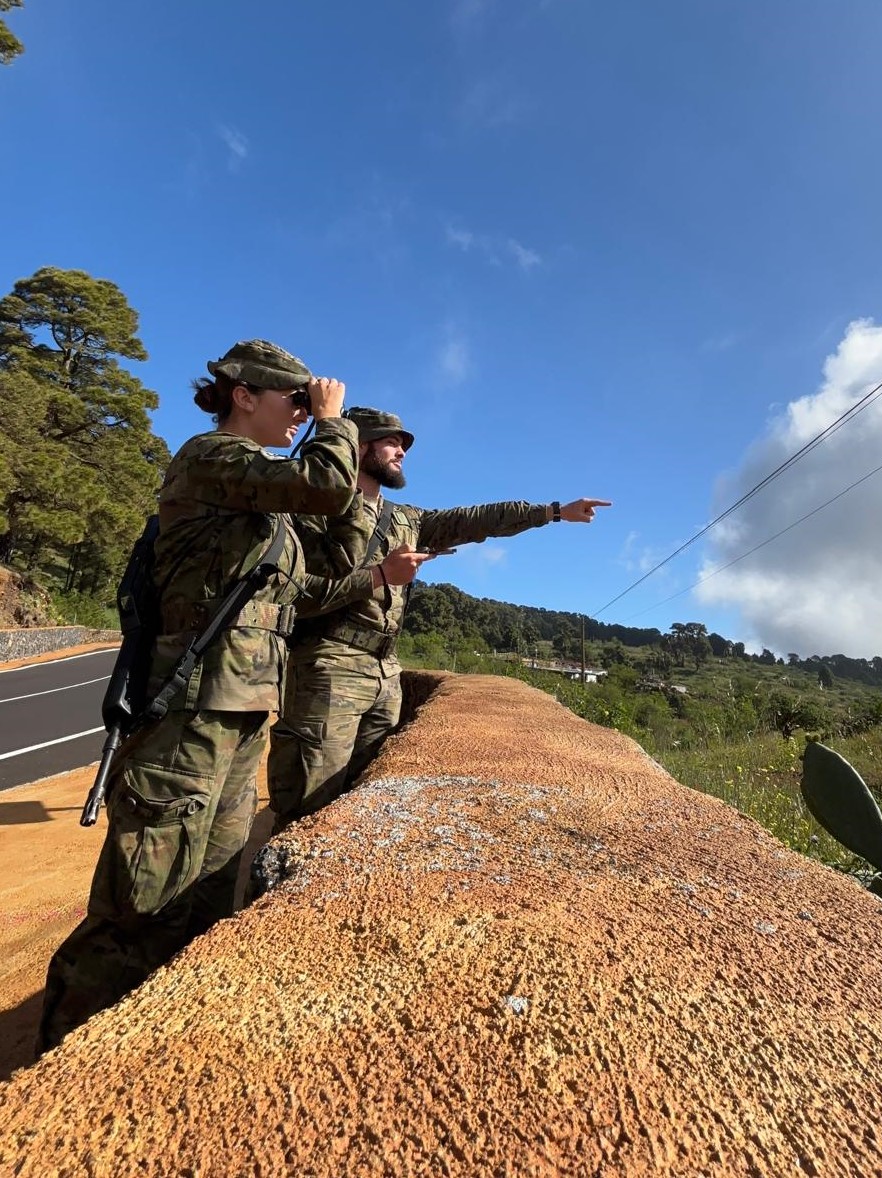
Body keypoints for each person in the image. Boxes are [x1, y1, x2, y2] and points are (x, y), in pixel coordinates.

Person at [37, 339, 368, 1053]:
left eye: (308, 405)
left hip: (243, 707)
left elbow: (321, 564)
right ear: (243, 395)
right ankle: (61, 1058)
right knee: (145, 897)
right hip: (189, 703)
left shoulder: (260, 501)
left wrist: (370, 566)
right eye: (294, 401)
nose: (302, 413)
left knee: (211, 891)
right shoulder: (211, 458)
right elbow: (322, 485)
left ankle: (156, 1045)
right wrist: (334, 423)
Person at [267, 405, 611, 828]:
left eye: (403, 445)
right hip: (327, 665)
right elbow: (296, 595)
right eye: (391, 442)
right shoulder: (314, 511)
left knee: (363, 806)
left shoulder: (406, 519)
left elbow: (476, 520)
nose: (402, 452)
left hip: (386, 674)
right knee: (307, 806)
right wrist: (380, 575)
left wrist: (553, 511)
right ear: (358, 446)